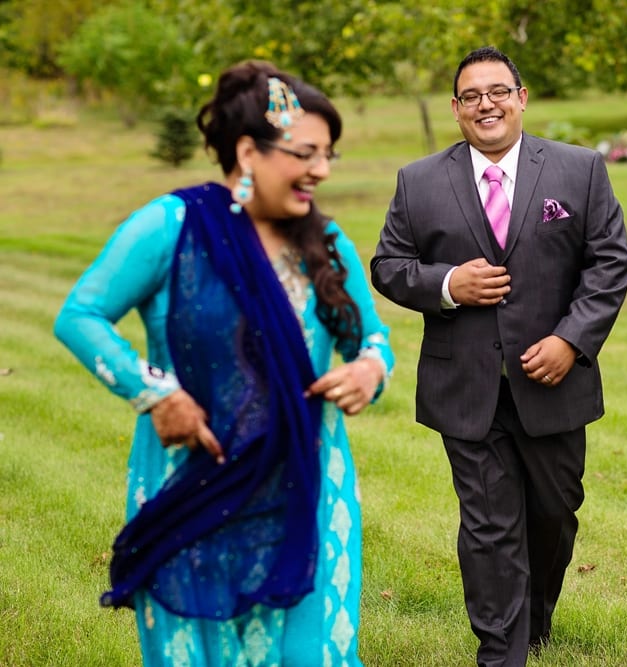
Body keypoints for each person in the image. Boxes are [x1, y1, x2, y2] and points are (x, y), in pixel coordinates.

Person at [54, 60, 393, 666]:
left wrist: (369, 369)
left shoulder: (325, 241)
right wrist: (154, 392)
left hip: (308, 489)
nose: (320, 170)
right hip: (195, 481)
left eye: (328, 156)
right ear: (248, 151)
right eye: (306, 153)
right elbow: (81, 316)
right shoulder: (172, 226)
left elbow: (374, 340)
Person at [370, 46, 627, 666]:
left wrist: (572, 340)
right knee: (489, 526)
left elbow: (610, 262)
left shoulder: (580, 170)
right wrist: (446, 285)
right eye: (470, 95)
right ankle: (501, 652)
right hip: (466, 386)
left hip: (553, 384)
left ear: (520, 98)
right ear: (456, 109)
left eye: (496, 91)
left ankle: (534, 623)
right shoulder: (419, 181)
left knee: (553, 517)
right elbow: (388, 265)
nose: (484, 103)